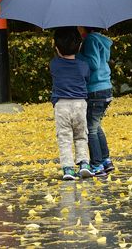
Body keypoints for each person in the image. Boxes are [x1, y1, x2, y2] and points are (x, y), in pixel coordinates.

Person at [50, 26, 93, 181]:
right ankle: (84, 164)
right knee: (81, 136)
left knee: (64, 137)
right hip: (80, 104)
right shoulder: (83, 66)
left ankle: (68, 168)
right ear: (80, 46)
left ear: (56, 48)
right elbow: (87, 79)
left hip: (62, 105)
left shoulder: (54, 64)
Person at [77, 26, 115, 175]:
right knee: (96, 126)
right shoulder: (100, 40)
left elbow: (93, 63)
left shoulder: (91, 40)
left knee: (90, 129)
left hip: (95, 89)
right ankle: (106, 160)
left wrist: (76, 55)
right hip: (105, 87)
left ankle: (97, 164)